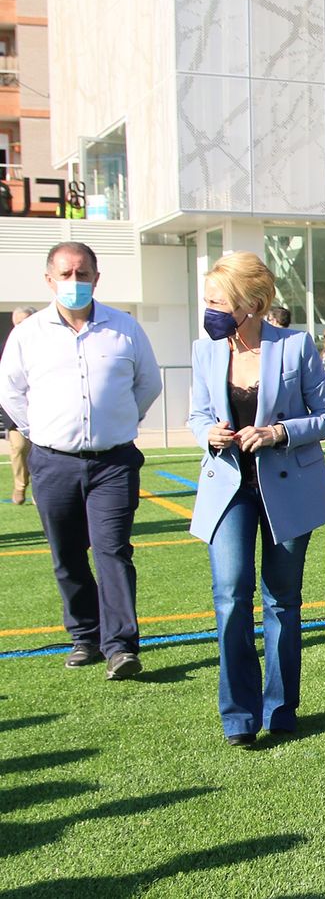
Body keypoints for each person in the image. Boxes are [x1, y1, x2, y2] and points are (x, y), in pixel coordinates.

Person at [187, 252, 325, 746]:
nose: (208, 309)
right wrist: (208, 432)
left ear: (251, 303)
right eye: (206, 299)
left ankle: (280, 706)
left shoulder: (295, 346)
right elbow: (196, 414)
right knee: (230, 597)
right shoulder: (205, 350)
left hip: (289, 487)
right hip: (227, 487)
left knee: (283, 601)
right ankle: (238, 715)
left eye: (217, 301)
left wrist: (277, 432)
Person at [0, 242, 160, 679]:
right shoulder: (28, 334)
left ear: (97, 277)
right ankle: (84, 635)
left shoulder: (124, 328)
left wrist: (121, 418)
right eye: (66, 274)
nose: (75, 282)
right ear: (49, 280)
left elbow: (147, 384)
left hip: (114, 462)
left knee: (112, 551)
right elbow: (10, 392)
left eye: (83, 273)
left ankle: (121, 646)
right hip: (53, 462)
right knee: (67, 554)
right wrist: (41, 433)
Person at [3, 307, 36, 504]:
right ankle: (20, 485)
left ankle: (40, 490)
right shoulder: (7, 347)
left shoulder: (50, 344)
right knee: (19, 446)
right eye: (17, 323)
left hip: (45, 410)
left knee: (44, 452)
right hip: (15, 411)